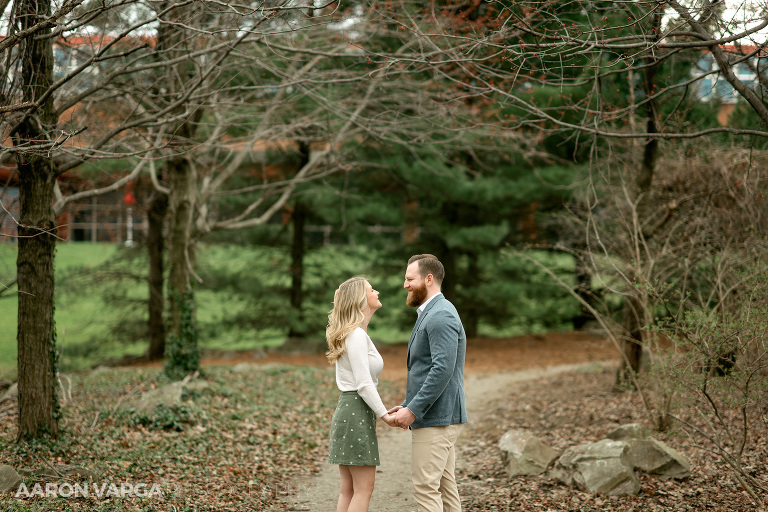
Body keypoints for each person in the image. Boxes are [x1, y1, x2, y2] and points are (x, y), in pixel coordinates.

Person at [389, 254, 468, 512]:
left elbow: (442, 369)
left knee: (425, 487)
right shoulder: (433, 311)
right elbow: (426, 369)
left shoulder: (440, 315)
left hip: (437, 419)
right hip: (438, 416)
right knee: (445, 488)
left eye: (410, 279)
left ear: (429, 279)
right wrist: (406, 405)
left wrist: (413, 410)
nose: (405, 284)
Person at [326, 276, 399, 512]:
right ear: (360, 298)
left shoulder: (356, 334)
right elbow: (365, 384)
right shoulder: (356, 335)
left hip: (351, 411)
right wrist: (385, 416)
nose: (376, 291)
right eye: (371, 289)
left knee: (349, 490)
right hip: (355, 412)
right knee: (363, 489)